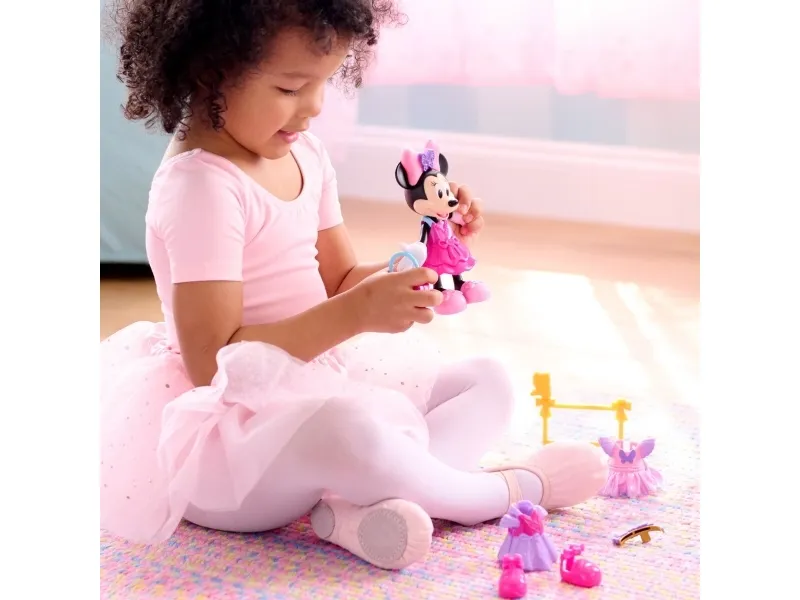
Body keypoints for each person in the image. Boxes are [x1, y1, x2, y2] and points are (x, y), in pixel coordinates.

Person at [101, 0, 607, 571]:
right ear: (208, 70)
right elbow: (214, 364)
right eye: (291, 88)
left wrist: (429, 255)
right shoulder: (201, 187)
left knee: (487, 381)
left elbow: (340, 280)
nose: (315, 107)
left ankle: (355, 514)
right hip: (231, 448)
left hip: (315, 389)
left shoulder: (306, 155)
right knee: (351, 429)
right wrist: (357, 313)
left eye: (323, 83)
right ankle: (505, 492)